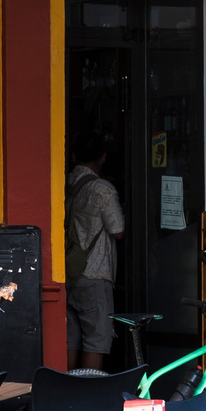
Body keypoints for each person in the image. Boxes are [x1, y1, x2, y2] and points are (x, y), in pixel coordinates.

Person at [66, 136, 127, 369]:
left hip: (70, 272)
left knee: (70, 338)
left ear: (73, 157)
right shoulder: (103, 190)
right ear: (103, 157)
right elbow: (118, 230)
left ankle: (67, 391)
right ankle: (89, 395)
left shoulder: (67, 185)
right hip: (95, 272)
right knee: (95, 340)